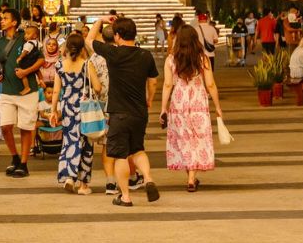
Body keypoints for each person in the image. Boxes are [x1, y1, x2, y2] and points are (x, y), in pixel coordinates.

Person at [85, 16, 160, 207]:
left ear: (117, 36)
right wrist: (149, 100)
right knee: (138, 150)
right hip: (139, 112)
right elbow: (153, 82)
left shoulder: (113, 53)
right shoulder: (145, 55)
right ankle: (148, 178)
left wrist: (100, 21)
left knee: (120, 155)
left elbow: (89, 40)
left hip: (119, 112)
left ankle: (125, 196)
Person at [160, 25, 223, 192]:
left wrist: (163, 108)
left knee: (183, 138)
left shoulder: (171, 60)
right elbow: (210, 84)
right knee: (196, 138)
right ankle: (191, 178)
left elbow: (167, 84)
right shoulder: (202, 58)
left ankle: (190, 177)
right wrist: (217, 106)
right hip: (198, 101)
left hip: (179, 102)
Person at [0, 9, 42, 177]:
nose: (2, 20)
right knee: (5, 126)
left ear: (14, 22)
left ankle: (23, 163)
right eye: (2, 18)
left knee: (25, 128)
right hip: (6, 90)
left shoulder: (26, 38)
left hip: (27, 92)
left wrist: (26, 71)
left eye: (5, 18)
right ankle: (14, 157)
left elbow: (41, 59)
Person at [49, 33, 94, 195]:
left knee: (70, 141)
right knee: (86, 143)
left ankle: (69, 176)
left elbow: (56, 91)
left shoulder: (60, 65)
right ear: (82, 48)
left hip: (67, 107)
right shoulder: (87, 64)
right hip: (84, 108)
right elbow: (97, 87)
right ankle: (83, 185)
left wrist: (53, 111)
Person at [13, 24, 42, 96]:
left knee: (22, 73)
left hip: (28, 61)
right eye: (25, 34)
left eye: (28, 34)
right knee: (37, 70)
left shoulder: (28, 43)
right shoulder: (38, 43)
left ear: (34, 36)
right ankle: (41, 80)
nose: (25, 35)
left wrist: (20, 57)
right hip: (34, 60)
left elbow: (25, 52)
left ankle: (26, 87)